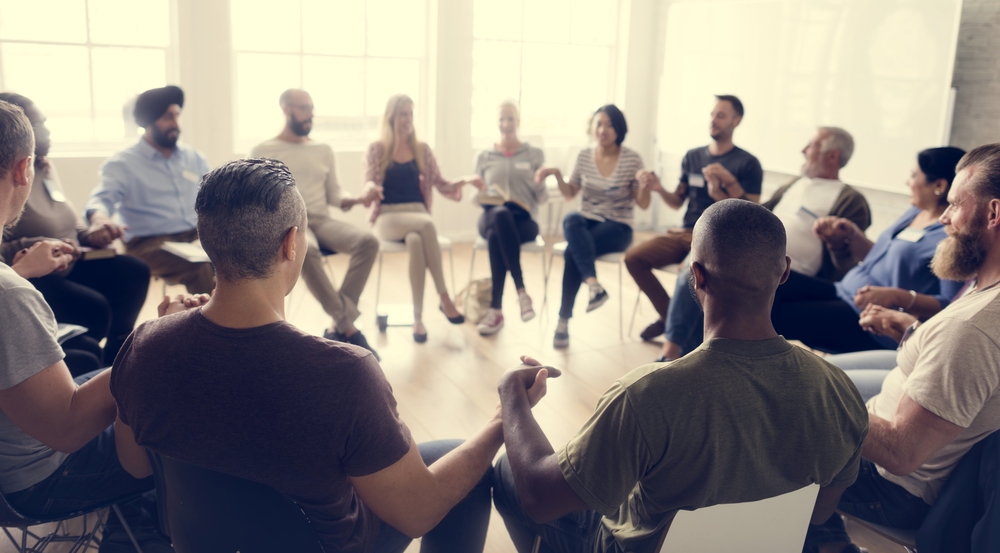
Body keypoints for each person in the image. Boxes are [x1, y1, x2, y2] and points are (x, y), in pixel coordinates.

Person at [109, 158, 535, 552]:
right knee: (465, 465)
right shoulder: (344, 374)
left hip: (207, 539)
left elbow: (135, 466)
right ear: (292, 244)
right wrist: (504, 419)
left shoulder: (145, 344)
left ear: (206, 242)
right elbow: (419, 510)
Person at [494, 199, 868, 553]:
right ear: (785, 271)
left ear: (697, 276)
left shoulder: (646, 395)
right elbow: (819, 513)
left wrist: (512, 395)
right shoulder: (839, 390)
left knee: (509, 469)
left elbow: (540, 499)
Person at [805, 143, 1000, 553]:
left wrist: (810, 385)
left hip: (889, 487)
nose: (944, 218)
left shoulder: (973, 329)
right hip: (892, 466)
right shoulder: (985, 295)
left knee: (757, 436)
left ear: (993, 213)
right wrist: (916, 334)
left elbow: (900, 452)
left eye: (954, 206)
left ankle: (822, 538)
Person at [0, 99, 172, 553]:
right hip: (35, 484)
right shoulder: (10, 297)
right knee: (181, 424)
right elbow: (67, 430)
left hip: (18, 443)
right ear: (23, 169)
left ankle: (129, 519)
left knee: (109, 379)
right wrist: (157, 341)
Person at [657, 127, 871, 361]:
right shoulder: (796, 184)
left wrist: (836, 244)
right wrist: (726, 188)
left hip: (792, 273)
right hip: (755, 254)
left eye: (811, 146)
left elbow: (847, 265)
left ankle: (681, 357)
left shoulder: (851, 201)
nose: (803, 150)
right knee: (701, 264)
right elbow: (757, 214)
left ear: (832, 156)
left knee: (712, 275)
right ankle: (681, 354)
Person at [768, 147, 967, 354]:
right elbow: (880, 258)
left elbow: (949, 305)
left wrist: (898, 296)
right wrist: (852, 236)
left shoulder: (952, 236)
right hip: (843, 291)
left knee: (772, 314)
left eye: (913, 175)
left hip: (870, 321)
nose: (908, 182)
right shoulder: (915, 213)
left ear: (939, 185)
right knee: (769, 277)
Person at [0, 93, 150, 368]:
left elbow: (66, 218)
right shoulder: (10, 182)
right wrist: (41, 246)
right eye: (38, 125)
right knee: (94, 308)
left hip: (71, 257)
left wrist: (90, 232)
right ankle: (90, 368)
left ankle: (120, 359)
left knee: (133, 272)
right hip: (43, 268)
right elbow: (6, 249)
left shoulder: (44, 167)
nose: (47, 130)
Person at [252, 89, 381, 358]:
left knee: (368, 242)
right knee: (305, 249)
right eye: (304, 108)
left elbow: (336, 195)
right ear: (286, 109)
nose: (311, 114)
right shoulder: (263, 150)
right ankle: (348, 328)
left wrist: (358, 198)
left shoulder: (323, 149)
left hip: (321, 220)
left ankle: (341, 322)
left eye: (311, 108)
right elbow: (258, 198)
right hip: (290, 224)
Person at [625, 95, 763, 341]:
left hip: (717, 239)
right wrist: (658, 188)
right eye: (712, 115)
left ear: (736, 120)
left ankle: (676, 339)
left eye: (721, 115)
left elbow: (752, 213)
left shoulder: (748, 163)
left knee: (688, 274)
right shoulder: (692, 156)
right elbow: (677, 201)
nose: (714, 120)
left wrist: (725, 187)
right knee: (634, 258)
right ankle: (670, 318)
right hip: (684, 232)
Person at [363, 94, 483, 342]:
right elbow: (369, 183)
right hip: (388, 216)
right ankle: (444, 297)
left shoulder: (422, 150)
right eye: (402, 114)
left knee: (417, 241)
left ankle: (417, 318)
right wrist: (368, 191)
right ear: (391, 117)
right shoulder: (377, 149)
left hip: (416, 214)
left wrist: (466, 180)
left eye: (410, 114)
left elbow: (441, 183)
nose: (407, 119)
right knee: (428, 225)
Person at [535, 105, 649, 348]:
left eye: (608, 124)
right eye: (598, 124)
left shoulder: (632, 159)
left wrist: (645, 185)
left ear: (619, 129)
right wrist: (556, 174)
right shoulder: (584, 156)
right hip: (587, 221)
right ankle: (593, 286)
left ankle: (563, 321)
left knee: (571, 252)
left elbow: (643, 204)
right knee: (571, 219)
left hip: (618, 226)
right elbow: (570, 194)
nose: (602, 130)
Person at [84, 85, 214, 294]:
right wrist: (100, 220)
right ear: (148, 121)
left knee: (240, 259)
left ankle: (253, 323)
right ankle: (220, 326)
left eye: (177, 116)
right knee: (201, 268)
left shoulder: (194, 157)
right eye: (167, 117)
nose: (175, 124)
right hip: (149, 244)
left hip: (196, 236)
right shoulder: (123, 163)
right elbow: (101, 199)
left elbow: (215, 196)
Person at [473, 101, 546, 335]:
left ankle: (496, 309)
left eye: (510, 119)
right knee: (500, 217)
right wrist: (479, 190)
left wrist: (540, 183)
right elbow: (475, 198)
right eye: (502, 119)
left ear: (518, 121)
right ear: (497, 123)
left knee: (498, 235)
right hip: (491, 215)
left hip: (523, 220)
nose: (506, 124)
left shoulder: (534, 154)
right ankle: (522, 292)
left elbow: (543, 198)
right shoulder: (484, 156)